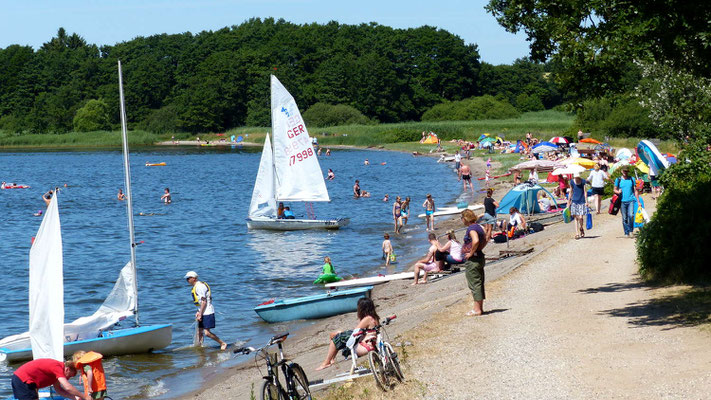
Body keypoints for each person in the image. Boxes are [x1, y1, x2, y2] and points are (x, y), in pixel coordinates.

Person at [315, 298, 380, 371]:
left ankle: (326, 362)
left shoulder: (367, 319)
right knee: (337, 334)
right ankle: (332, 359)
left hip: (364, 347)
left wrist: (341, 334)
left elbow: (355, 332)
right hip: (370, 344)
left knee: (336, 338)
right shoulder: (375, 318)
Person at [184, 271, 228, 350]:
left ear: (194, 278)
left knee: (207, 333)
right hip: (203, 311)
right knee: (199, 332)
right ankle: (200, 349)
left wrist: (200, 313)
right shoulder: (196, 286)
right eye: (187, 279)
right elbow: (201, 303)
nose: (187, 280)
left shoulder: (200, 287)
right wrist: (198, 312)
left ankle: (222, 343)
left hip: (208, 312)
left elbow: (204, 301)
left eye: (188, 278)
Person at [11, 358, 90, 400]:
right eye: (69, 376)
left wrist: (75, 398)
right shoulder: (57, 367)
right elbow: (68, 387)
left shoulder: (57, 374)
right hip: (22, 380)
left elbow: (59, 390)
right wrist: (84, 397)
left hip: (27, 382)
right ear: (67, 369)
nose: (68, 379)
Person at [460, 209, 488, 316]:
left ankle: (477, 310)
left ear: (465, 218)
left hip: (473, 260)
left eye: (462, 218)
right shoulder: (479, 227)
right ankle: (479, 308)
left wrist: (471, 252)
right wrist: (479, 249)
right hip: (479, 257)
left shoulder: (471, 228)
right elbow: (486, 238)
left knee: (474, 283)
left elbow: (475, 240)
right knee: (479, 283)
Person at [614, 166, 640, 237]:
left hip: (631, 200)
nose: (625, 173)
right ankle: (626, 232)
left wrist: (638, 201)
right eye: (624, 171)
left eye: (626, 171)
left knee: (631, 215)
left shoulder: (632, 179)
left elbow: (635, 190)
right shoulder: (618, 180)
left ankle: (631, 231)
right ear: (622, 171)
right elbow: (615, 189)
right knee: (624, 217)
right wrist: (618, 192)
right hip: (622, 201)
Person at [567, 172, 588, 239]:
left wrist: (586, 201)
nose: (576, 178)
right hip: (574, 201)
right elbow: (571, 192)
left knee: (581, 217)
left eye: (577, 177)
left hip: (581, 201)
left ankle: (581, 228)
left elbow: (585, 192)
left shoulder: (583, 181)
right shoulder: (572, 182)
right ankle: (577, 233)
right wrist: (568, 201)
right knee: (576, 218)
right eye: (575, 177)